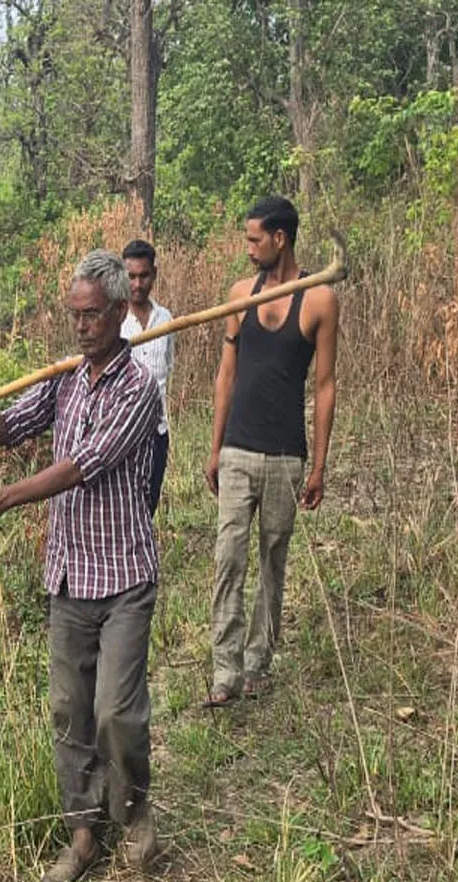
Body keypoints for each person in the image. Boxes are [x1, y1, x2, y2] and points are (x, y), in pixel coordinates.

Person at [0, 251, 162, 882]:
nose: (80, 327)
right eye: (74, 315)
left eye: (91, 316)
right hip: (68, 578)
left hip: (123, 578)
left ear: (119, 312)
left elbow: (80, 465)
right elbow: (11, 429)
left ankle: (136, 812)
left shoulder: (139, 388)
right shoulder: (65, 378)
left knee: (117, 712)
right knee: (68, 711)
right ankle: (84, 833)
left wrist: (3, 500)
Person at [203, 196, 339, 708]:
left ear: (280, 238)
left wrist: (319, 465)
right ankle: (225, 671)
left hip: (286, 456)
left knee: (271, 563)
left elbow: (324, 385)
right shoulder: (241, 294)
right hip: (238, 448)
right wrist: (215, 448)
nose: (249, 247)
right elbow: (227, 374)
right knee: (227, 560)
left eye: (255, 239)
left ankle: (259, 664)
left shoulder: (320, 300)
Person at [121, 239, 176, 513]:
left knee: (147, 508)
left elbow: (167, 367)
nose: (138, 284)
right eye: (131, 276)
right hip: (122, 434)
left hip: (157, 432)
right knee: (122, 509)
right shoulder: (113, 322)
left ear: (154, 274)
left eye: (144, 276)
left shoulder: (166, 319)